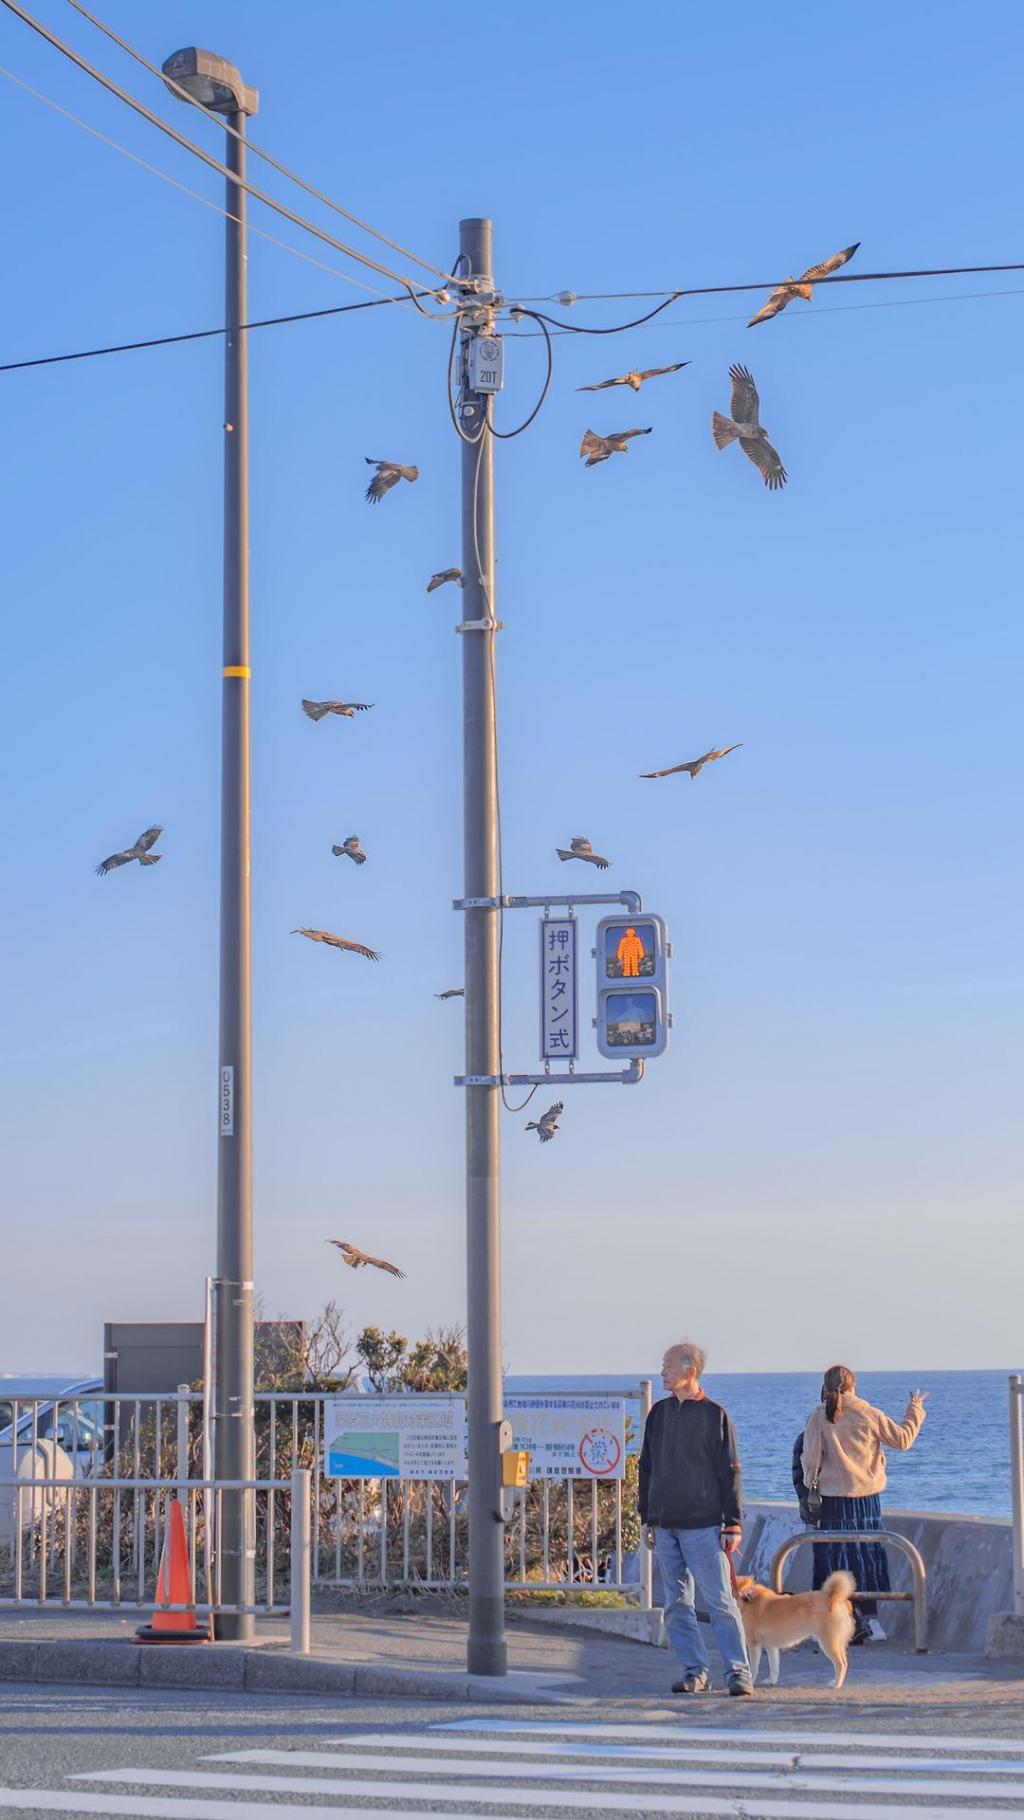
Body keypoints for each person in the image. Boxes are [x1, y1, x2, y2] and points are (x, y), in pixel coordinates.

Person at [639, 1341, 752, 1695]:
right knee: (675, 1603)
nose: (662, 1371)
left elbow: (730, 1470)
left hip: (704, 1526)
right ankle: (694, 1671)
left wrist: (732, 1522)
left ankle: (738, 1672)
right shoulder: (658, 1413)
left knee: (720, 1600)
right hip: (665, 1523)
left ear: (689, 1369)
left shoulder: (714, 1415)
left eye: (668, 1364)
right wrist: (646, 1516)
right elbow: (647, 1467)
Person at [802, 1365, 927, 1645]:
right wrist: (915, 1409)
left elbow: (810, 1463)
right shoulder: (868, 1413)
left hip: (833, 1502)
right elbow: (902, 1440)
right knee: (867, 1556)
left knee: (832, 1560)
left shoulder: (818, 1417)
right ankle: (870, 1620)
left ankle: (830, 1622)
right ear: (853, 1386)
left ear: (826, 1387)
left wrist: (813, 1484)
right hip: (867, 1501)